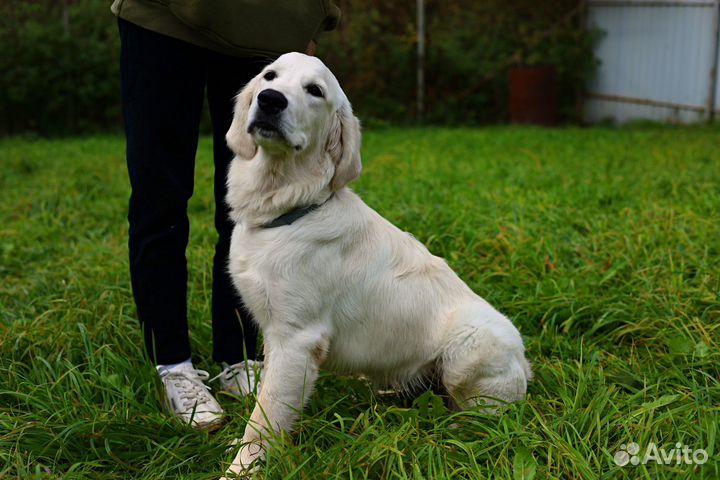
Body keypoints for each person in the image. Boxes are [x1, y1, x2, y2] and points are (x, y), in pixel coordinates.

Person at [112, 0, 340, 430]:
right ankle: (173, 364)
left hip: (266, 26)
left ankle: (236, 357)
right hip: (161, 20)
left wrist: (316, 13)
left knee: (250, 205)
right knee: (160, 199)